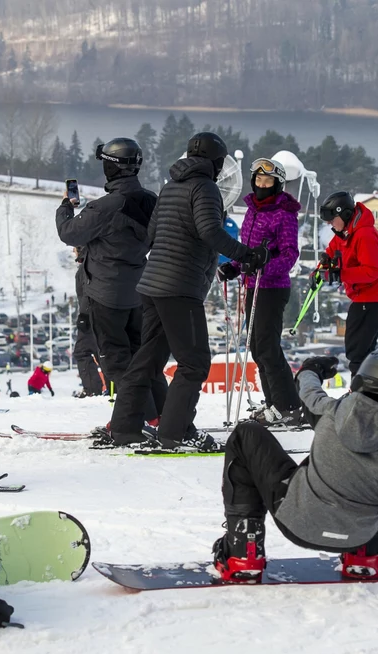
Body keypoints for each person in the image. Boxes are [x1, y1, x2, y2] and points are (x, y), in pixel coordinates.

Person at [212, 347, 378, 610]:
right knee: (376, 481)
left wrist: (311, 369)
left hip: (298, 523)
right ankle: (363, 558)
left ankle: (243, 554)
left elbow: (308, 392)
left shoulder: (332, 410)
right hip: (359, 535)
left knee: (246, 434)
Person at [109, 131, 267, 449]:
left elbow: (152, 234)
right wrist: (246, 255)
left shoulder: (170, 187)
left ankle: (125, 427)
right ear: (217, 162)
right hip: (180, 287)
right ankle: (176, 433)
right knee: (194, 363)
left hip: (152, 284)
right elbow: (210, 231)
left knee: (148, 358)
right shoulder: (204, 187)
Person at [55, 138, 163, 419]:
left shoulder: (106, 206)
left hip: (106, 294)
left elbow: (69, 232)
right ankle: (163, 416)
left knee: (116, 362)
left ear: (110, 168)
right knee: (141, 357)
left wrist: (65, 206)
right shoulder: (152, 201)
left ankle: (142, 419)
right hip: (139, 290)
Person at [218, 157, 302, 427]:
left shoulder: (283, 213)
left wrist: (265, 265)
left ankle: (288, 406)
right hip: (253, 286)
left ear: (277, 184)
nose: (262, 184)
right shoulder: (253, 210)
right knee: (258, 349)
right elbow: (248, 250)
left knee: (267, 349)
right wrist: (234, 267)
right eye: (258, 180)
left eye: (268, 181)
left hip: (273, 288)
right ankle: (274, 402)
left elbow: (290, 255)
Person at [317, 191, 378, 377]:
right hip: (363, 296)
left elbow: (371, 272)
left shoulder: (364, 234)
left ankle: (359, 392)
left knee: (357, 349)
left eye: (331, 219)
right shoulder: (345, 233)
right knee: (359, 348)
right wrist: (320, 270)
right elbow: (330, 252)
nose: (329, 224)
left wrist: (340, 274)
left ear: (344, 214)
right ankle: (364, 389)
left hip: (373, 297)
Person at [70, 249, 107, 398]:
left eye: (75, 249)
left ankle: (92, 389)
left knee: (82, 352)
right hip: (99, 316)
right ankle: (114, 387)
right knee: (102, 352)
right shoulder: (96, 264)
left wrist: (84, 315)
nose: (73, 251)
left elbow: (88, 292)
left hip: (90, 317)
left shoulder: (86, 267)